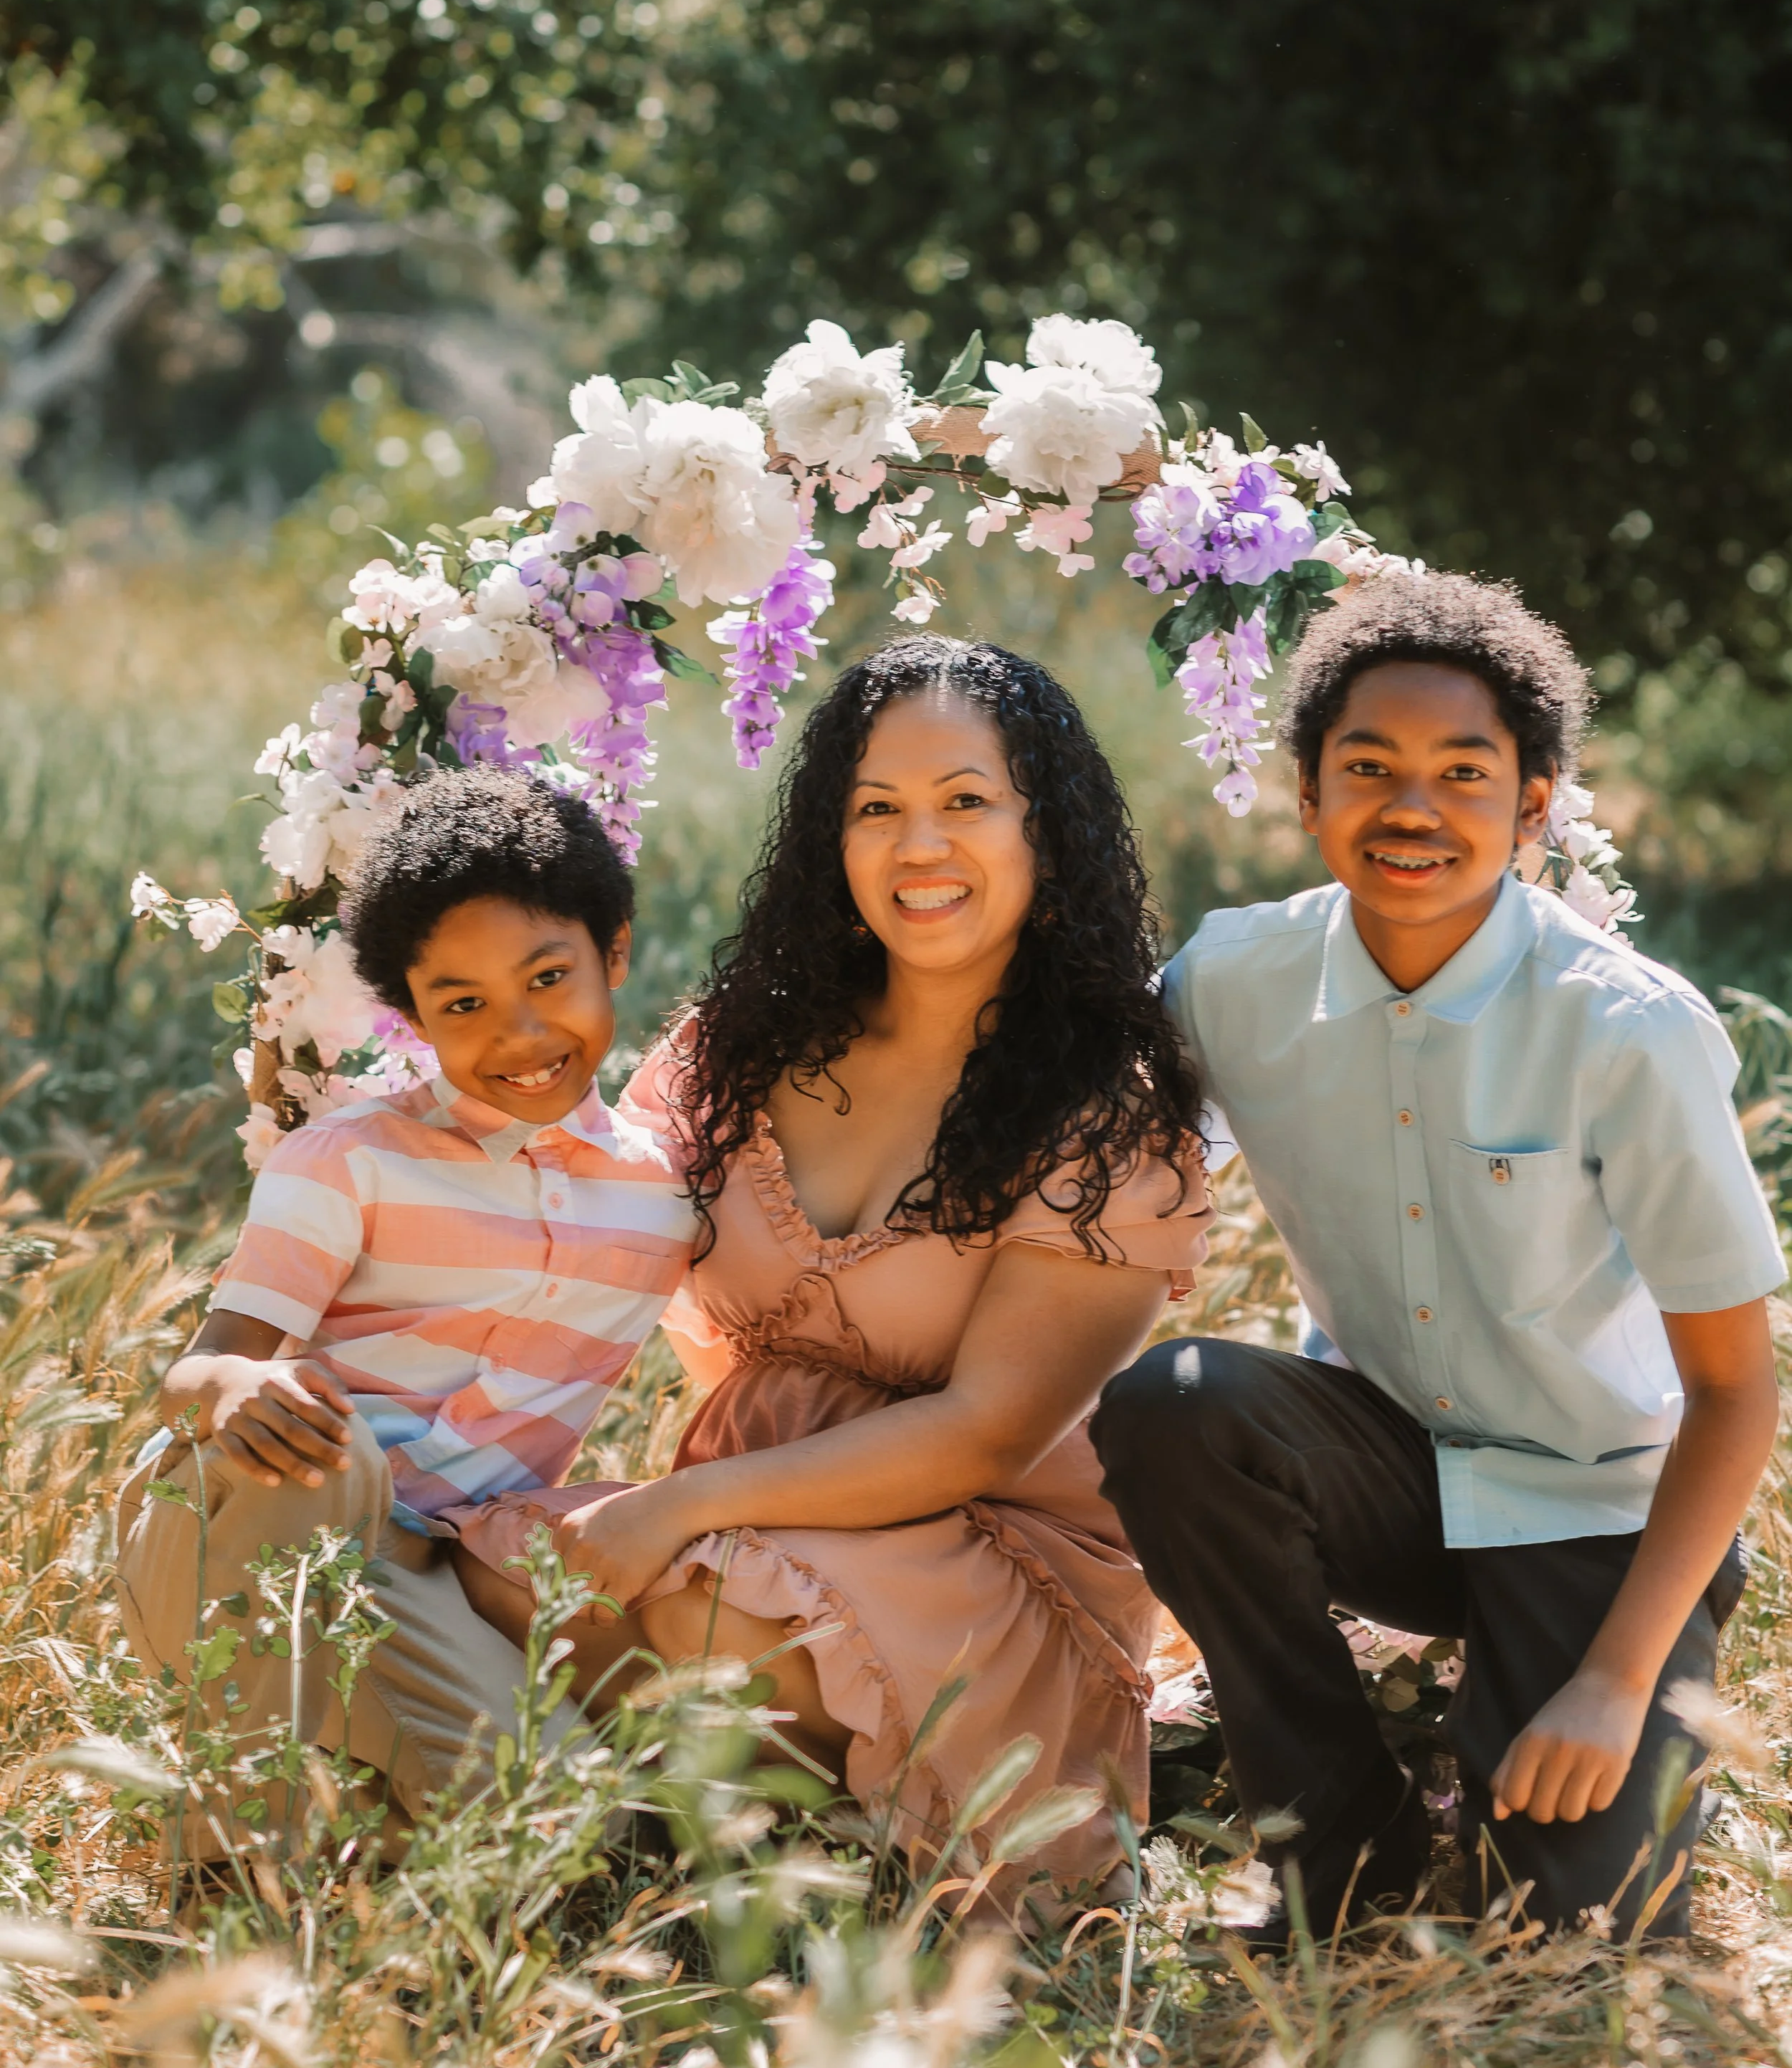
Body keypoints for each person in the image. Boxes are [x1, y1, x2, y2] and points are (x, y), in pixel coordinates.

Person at [452, 637, 1210, 1905]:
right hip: (750, 1518)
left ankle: (776, 1824)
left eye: (966, 801)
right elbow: (581, 1237)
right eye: (877, 809)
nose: (920, 847)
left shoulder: (1103, 1106)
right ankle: (735, 1825)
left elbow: (983, 1434)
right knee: (475, 1555)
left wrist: (676, 1507)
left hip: (979, 1546)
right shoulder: (741, 1045)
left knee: (701, 1625)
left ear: (1047, 828)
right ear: (830, 836)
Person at [1091, 573, 1786, 1943]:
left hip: (1599, 1509)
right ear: (1305, 791)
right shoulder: (1233, 979)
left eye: (1465, 772)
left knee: (1582, 1930)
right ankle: (1341, 1841)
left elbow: (1735, 1393)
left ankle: (1534, 1717)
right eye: (1369, 767)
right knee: (1174, 1406)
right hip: (1386, 1478)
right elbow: (1096, 1170)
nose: (1413, 808)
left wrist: (1615, 1682)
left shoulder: (1628, 1031)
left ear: (1534, 808)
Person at [114, 768, 695, 1860]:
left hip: (428, 1575)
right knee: (329, 1454)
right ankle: (230, 1865)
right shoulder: (349, 1159)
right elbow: (198, 1373)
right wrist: (244, 1387)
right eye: (462, 1005)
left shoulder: (667, 1197)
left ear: (614, 952)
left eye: (550, 978)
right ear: (415, 1018)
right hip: (244, 1526)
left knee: (583, 1838)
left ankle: (362, 1808)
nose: (519, 1033)